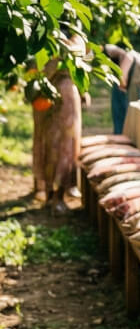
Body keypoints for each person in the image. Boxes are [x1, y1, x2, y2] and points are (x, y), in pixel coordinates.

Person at [32, 37, 87, 212]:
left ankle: (56, 193)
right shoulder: (49, 38)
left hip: (58, 96)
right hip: (54, 95)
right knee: (56, 145)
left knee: (64, 146)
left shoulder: (70, 39)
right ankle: (52, 194)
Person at [103, 44, 140, 135]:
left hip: (126, 88)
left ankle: (121, 135)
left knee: (122, 116)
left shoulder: (127, 55)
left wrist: (121, 90)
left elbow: (122, 79)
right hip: (138, 87)